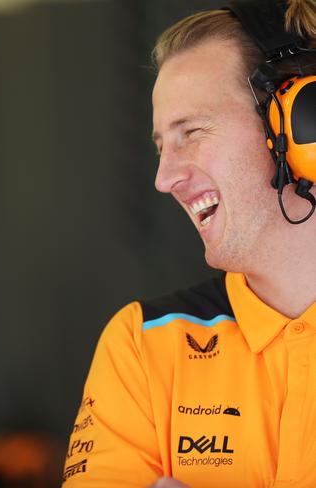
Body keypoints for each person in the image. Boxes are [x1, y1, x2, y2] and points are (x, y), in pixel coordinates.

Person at [63, 0, 316, 486]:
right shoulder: (145, 344)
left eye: (192, 132)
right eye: (161, 146)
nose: (164, 179)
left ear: (302, 123)